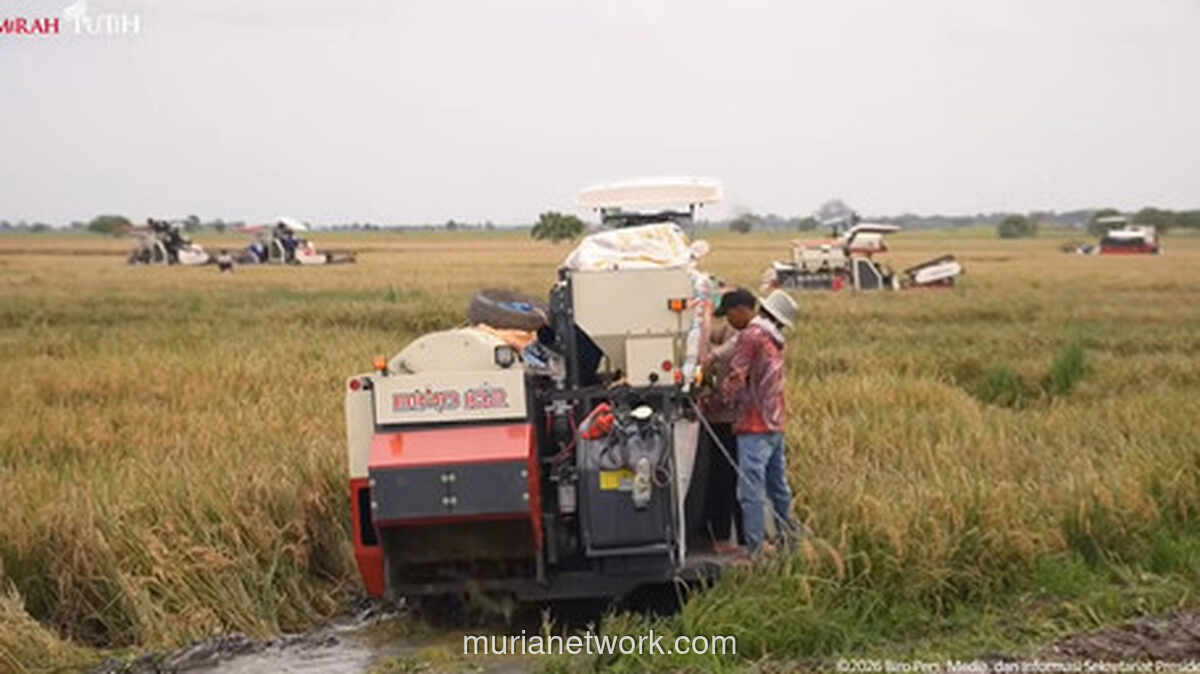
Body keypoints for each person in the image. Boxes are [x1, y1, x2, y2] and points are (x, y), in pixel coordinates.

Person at [718, 287, 799, 554]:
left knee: (750, 490)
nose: (729, 322)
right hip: (775, 422)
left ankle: (753, 549)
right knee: (778, 486)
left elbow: (736, 377)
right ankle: (788, 542)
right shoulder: (774, 340)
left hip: (753, 424)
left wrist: (713, 396)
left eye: (730, 315)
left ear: (743, 311)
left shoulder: (751, 336)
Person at [698, 302, 744, 552]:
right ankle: (724, 537)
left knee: (721, 476)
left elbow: (715, 349)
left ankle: (715, 532)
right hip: (728, 417)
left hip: (722, 415)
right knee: (729, 478)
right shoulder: (740, 331)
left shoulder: (743, 331)